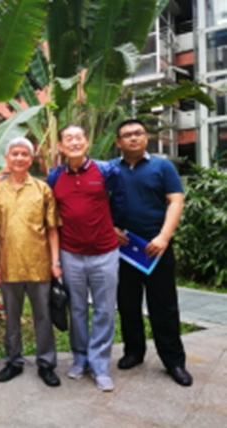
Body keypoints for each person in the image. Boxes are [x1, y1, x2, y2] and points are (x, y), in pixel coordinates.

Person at [111, 119, 192, 387]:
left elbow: (176, 200)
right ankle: (134, 352)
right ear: (118, 142)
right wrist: (110, 227)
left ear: (146, 138)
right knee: (127, 304)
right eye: (127, 135)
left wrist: (163, 237)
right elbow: (98, 203)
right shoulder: (110, 169)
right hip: (124, 251)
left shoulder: (162, 166)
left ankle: (174, 361)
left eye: (138, 133)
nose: (133, 138)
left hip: (157, 249)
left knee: (164, 306)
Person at [47, 124, 125, 392]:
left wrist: (116, 224)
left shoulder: (106, 171)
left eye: (78, 137)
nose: (74, 142)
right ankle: (80, 358)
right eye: (68, 138)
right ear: (60, 146)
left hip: (105, 252)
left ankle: (100, 364)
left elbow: (120, 199)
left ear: (86, 142)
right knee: (77, 309)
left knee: (104, 309)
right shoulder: (55, 177)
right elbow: (52, 213)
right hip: (71, 254)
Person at [0, 137, 62, 388]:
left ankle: (46, 363)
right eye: (15, 153)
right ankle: (13, 361)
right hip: (8, 264)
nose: (19, 158)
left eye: (24, 154)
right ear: (6, 159)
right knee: (12, 317)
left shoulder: (42, 189)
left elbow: (52, 229)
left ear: (31, 159)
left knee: (43, 316)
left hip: (39, 264)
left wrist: (55, 262)